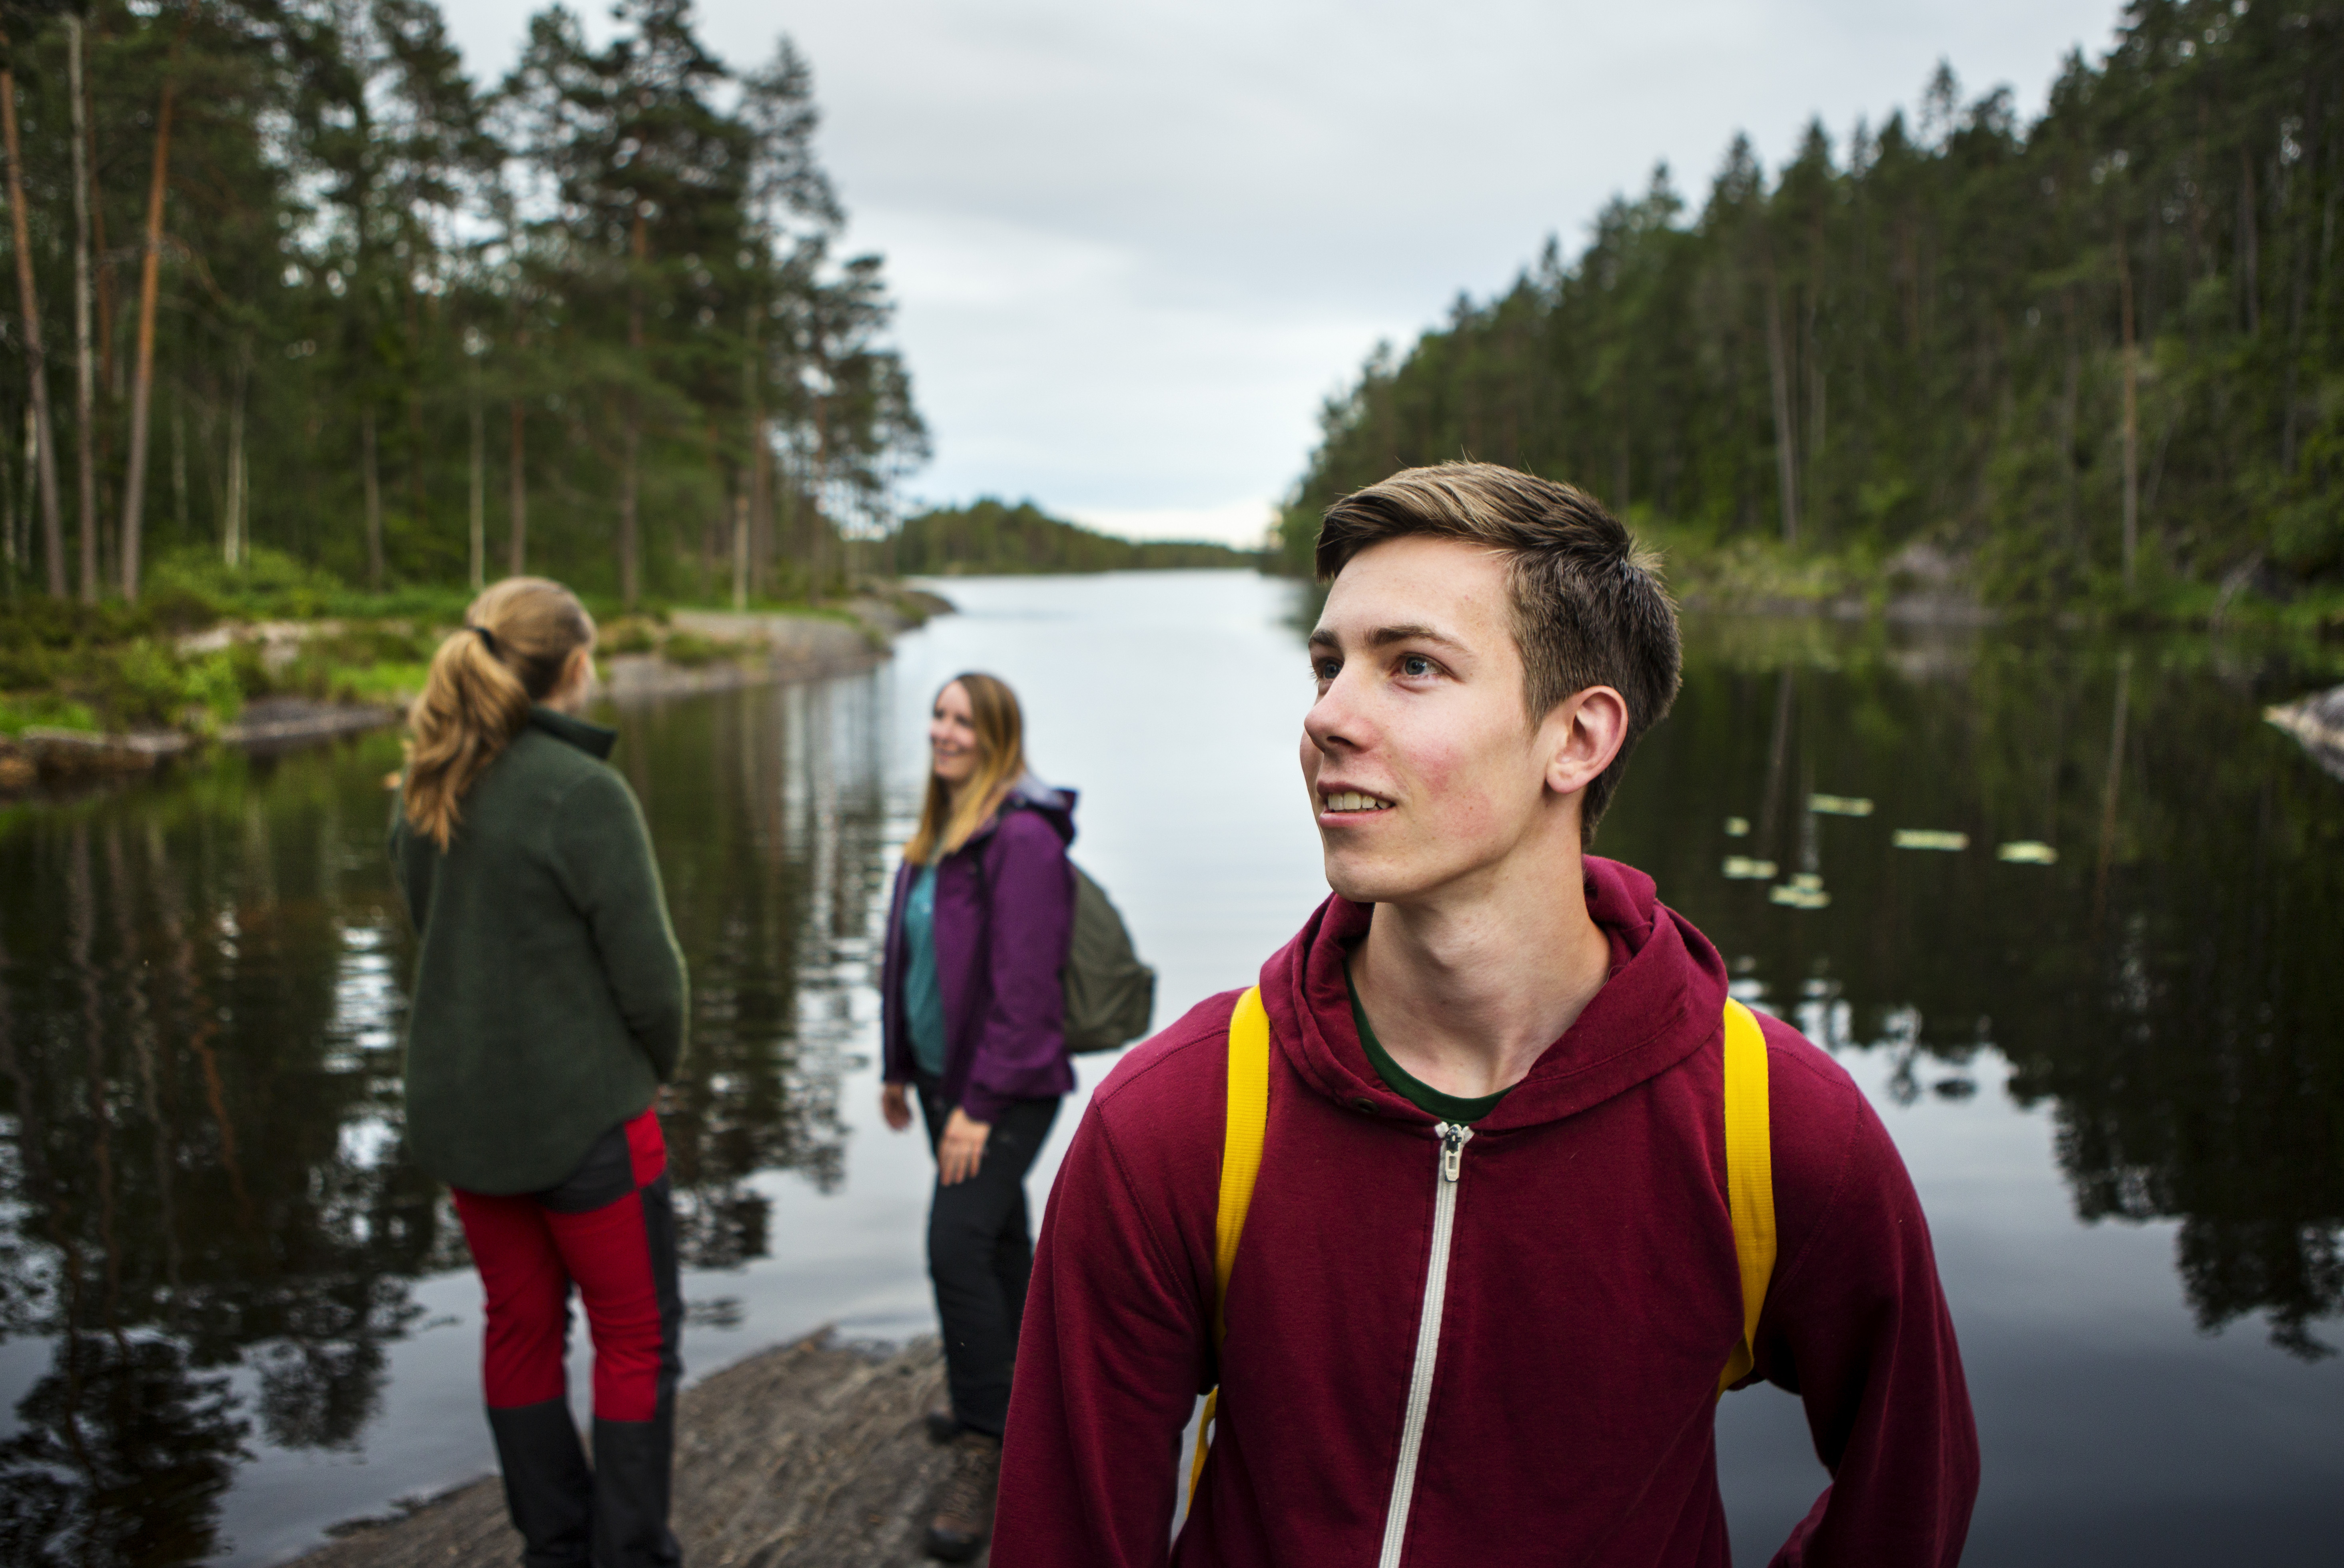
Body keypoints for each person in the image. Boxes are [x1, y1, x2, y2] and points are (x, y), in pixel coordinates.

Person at [994, 464, 1980, 1565]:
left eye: (1411, 665)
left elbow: (1912, 1484)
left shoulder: (1774, 1129)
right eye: (1328, 664)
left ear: (1578, 739)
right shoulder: (1181, 1119)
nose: (1327, 715)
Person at [390, 577, 689, 1568]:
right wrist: (655, 1068)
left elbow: (437, 938)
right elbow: (651, 980)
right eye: (590, 655)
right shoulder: (584, 793)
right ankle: (630, 1555)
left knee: (519, 1327)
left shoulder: (430, 784)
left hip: (469, 1126)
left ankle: (556, 1550)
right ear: (570, 667)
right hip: (588, 1124)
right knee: (636, 1336)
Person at [880, 671, 1077, 1562]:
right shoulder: (935, 833)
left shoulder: (1023, 839)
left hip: (1002, 1087)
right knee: (994, 1241)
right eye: (938, 715)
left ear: (997, 734)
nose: (945, 732)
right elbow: (907, 961)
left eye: (964, 721)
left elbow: (1026, 990)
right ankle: (1019, 1401)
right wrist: (897, 1067)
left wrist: (977, 1106)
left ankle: (985, 1436)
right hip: (939, 1082)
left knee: (954, 1245)